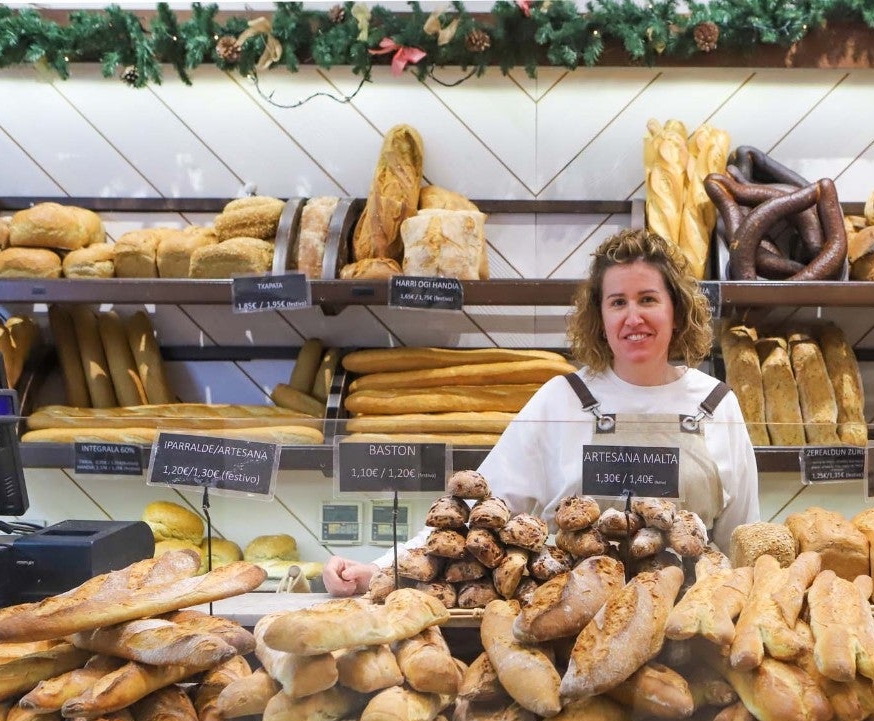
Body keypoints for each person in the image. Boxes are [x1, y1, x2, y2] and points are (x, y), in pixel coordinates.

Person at [323, 228, 760, 596]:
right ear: (599, 316)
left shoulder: (716, 404)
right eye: (617, 302)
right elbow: (481, 512)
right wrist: (381, 570)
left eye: (648, 299)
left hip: (687, 627)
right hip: (570, 621)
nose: (633, 317)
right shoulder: (563, 398)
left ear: (676, 310)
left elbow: (741, 540)